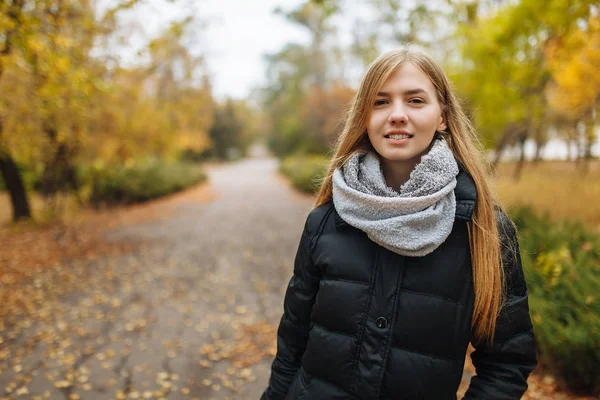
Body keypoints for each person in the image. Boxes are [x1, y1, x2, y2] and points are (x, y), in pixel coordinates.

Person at [261, 47, 537, 400]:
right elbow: (291, 345)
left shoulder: (483, 231)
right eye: (380, 102)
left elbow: (507, 362)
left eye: (416, 101)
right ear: (364, 117)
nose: (397, 115)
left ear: (443, 117)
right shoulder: (325, 222)